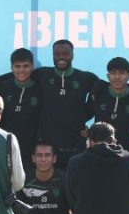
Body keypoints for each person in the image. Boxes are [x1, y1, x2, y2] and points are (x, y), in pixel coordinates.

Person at [34, 40, 98, 170]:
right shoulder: (42, 74)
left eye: (65, 53)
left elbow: (105, 93)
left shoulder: (86, 78)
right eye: (57, 54)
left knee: (74, 183)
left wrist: (81, 118)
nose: (61, 57)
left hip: (75, 144)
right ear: (52, 55)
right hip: (48, 145)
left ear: (72, 55)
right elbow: (17, 78)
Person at [0, 48, 42, 178]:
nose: (21, 70)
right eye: (17, 66)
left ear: (32, 67)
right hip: (6, 148)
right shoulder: (2, 87)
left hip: (31, 150)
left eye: (26, 66)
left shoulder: (40, 88)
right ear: (11, 67)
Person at [91, 57, 129, 153]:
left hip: (124, 155)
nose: (117, 77)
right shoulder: (99, 93)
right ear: (108, 76)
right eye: (113, 73)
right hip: (98, 153)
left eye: (121, 73)